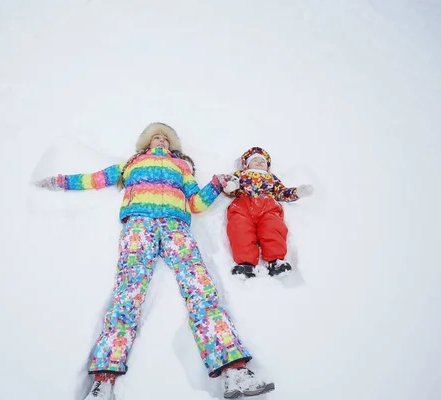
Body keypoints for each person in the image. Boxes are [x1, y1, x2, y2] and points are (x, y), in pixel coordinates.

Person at [35, 123, 274, 400]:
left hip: (176, 227)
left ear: (172, 145)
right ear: (146, 144)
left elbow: (196, 204)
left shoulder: (182, 167)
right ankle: (104, 381)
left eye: (165, 137)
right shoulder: (131, 164)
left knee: (200, 287)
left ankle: (235, 371)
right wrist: (61, 181)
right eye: (155, 137)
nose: (160, 139)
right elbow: (95, 179)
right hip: (139, 226)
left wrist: (217, 185)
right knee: (128, 293)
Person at [222, 146, 314, 280]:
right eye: (255, 160)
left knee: (273, 228)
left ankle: (276, 261)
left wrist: (298, 192)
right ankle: (245, 264)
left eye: (262, 161)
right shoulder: (241, 174)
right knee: (239, 229)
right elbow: (230, 187)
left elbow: (282, 193)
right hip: (243, 207)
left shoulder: (271, 178)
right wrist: (230, 187)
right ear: (247, 164)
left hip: (268, 208)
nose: (259, 162)